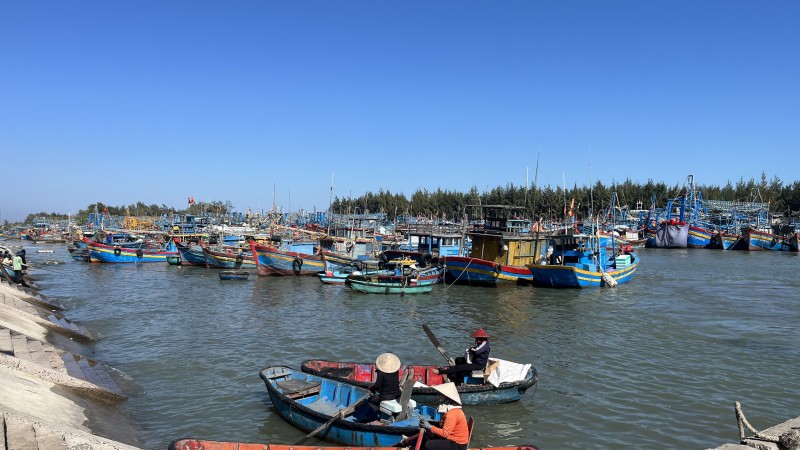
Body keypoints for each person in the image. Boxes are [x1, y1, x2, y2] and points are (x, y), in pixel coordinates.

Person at [419, 382, 469, 450]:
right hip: (452, 439)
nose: (439, 396)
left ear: (446, 398)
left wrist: (429, 426)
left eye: (440, 394)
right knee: (427, 432)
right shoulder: (451, 410)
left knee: (429, 445)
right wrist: (428, 425)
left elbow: (445, 434)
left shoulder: (452, 413)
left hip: (457, 444)